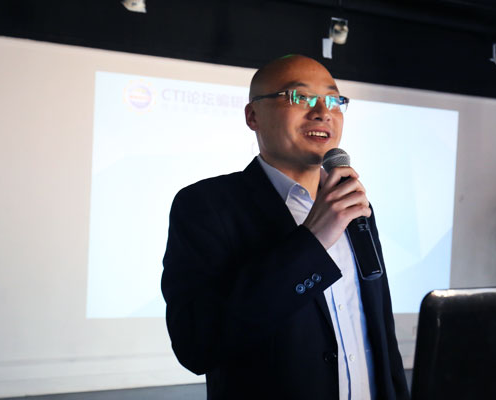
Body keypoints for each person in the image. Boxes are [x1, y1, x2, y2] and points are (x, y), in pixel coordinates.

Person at [161, 55, 409, 400]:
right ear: (253, 116)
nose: (322, 112)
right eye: (300, 97)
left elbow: (380, 333)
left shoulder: (353, 205)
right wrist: (313, 241)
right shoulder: (206, 205)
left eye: (333, 100)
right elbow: (196, 345)